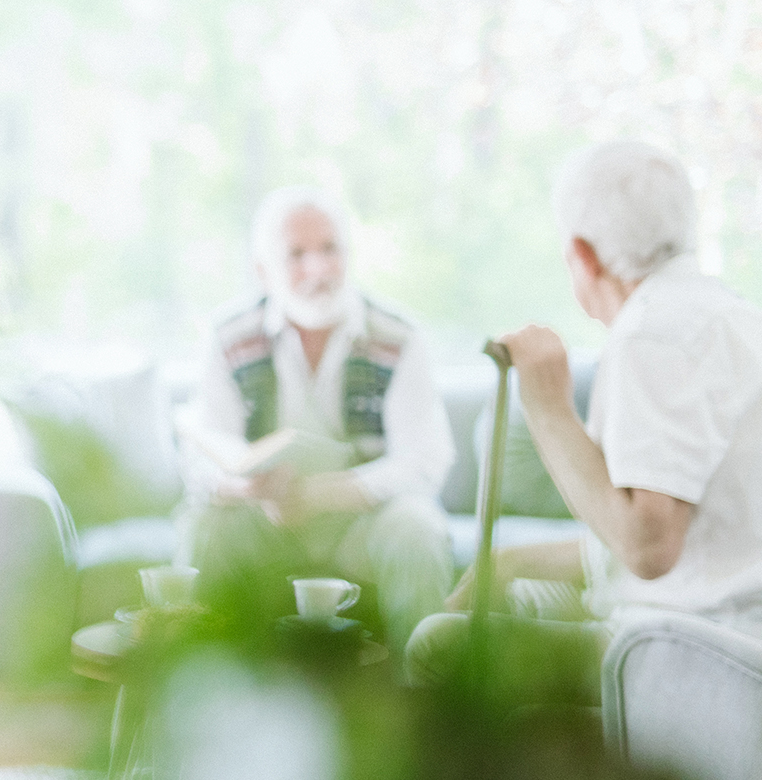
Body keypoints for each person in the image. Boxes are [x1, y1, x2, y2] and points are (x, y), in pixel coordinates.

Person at [405, 140, 762, 702]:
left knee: (436, 643)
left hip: (688, 652)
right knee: (508, 590)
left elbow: (648, 548)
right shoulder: (732, 315)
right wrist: (508, 561)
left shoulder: (654, 330)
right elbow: (695, 547)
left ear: (583, 254)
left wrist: (547, 406)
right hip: (723, 629)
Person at [177, 186, 456, 649]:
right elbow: (204, 454)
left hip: (363, 521)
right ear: (264, 272)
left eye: (330, 250)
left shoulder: (399, 337)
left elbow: (424, 461)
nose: (318, 269)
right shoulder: (227, 337)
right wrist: (243, 486)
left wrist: (327, 494)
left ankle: (424, 694)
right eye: (297, 255)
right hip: (263, 517)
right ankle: (205, 697)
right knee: (206, 526)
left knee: (418, 527)